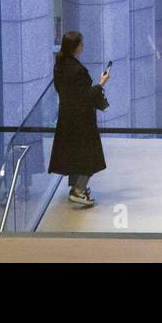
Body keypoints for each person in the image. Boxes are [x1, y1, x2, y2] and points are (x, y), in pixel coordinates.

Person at [48, 30, 110, 207]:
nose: (83, 46)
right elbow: (86, 96)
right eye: (81, 44)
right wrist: (102, 83)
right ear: (75, 47)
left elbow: (64, 91)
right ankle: (79, 191)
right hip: (82, 119)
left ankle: (76, 187)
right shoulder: (78, 70)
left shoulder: (59, 65)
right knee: (89, 156)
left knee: (74, 155)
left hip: (67, 117)